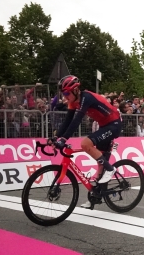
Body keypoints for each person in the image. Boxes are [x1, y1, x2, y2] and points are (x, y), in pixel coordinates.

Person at [50, 75, 121, 209]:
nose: (65, 97)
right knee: (100, 165)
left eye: (66, 93)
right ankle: (95, 196)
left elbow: (77, 121)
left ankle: (110, 169)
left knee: (86, 144)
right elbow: (67, 121)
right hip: (103, 125)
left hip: (114, 124)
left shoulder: (86, 98)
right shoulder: (73, 101)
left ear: (76, 90)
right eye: (63, 93)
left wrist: (64, 139)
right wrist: (56, 136)